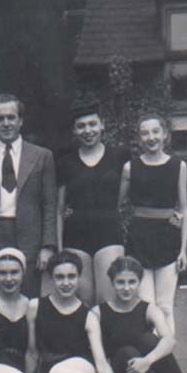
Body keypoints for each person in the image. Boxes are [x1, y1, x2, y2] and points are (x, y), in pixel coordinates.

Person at [28, 250, 166, 373]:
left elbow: (100, 361)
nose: (66, 282)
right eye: (60, 277)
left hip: (82, 368)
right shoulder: (35, 306)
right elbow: (32, 352)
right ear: (51, 279)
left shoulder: (89, 315)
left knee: (59, 371)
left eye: (71, 276)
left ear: (79, 278)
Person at [0, 93, 57, 299]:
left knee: (28, 297)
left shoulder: (42, 156)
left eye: (11, 117)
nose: (6, 123)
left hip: (29, 238)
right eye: (0, 118)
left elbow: (49, 206)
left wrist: (47, 246)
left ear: (20, 121)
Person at [118, 112, 187, 336]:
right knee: (146, 303)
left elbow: (184, 208)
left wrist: (183, 250)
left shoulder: (179, 166)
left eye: (155, 132)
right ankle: (149, 353)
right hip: (139, 239)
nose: (151, 137)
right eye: (145, 133)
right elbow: (117, 206)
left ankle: (166, 355)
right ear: (139, 138)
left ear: (165, 135)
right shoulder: (130, 168)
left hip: (167, 238)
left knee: (165, 305)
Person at [56, 100, 127, 305]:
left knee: (107, 299)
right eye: (81, 126)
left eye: (92, 124)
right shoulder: (65, 162)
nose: (88, 130)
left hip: (109, 234)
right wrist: (61, 249)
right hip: (75, 236)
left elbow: (139, 187)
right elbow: (59, 209)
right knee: (83, 299)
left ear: (102, 125)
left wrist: (171, 212)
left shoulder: (119, 156)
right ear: (74, 131)